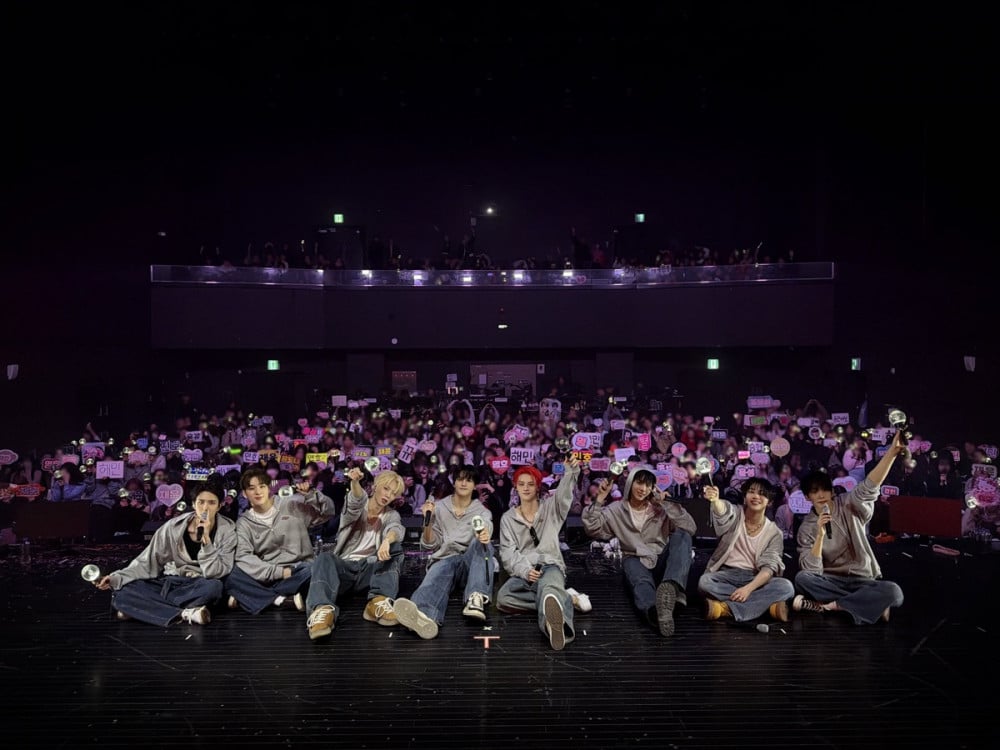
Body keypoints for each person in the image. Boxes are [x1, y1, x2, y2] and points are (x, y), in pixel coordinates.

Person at [792, 430, 907, 624]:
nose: (821, 495)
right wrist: (820, 534)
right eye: (814, 491)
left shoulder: (848, 502)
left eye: (825, 489)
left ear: (832, 491)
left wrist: (892, 453)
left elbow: (870, 486)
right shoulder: (806, 527)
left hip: (862, 579)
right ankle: (865, 605)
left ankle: (832, 606)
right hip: (831, 580)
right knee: (802, 579)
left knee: (895, 593)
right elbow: (812, 570)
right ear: (807, 497)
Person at [93, 476, 236, 626]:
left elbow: (216, 573)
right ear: (193, 504)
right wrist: (117, 577)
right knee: (122, 591)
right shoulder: (173, 527)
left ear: (219, 506)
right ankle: (186, 613)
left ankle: (143, 608)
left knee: (214, 588)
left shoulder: (228, 531)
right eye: (201, 502)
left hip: (199, 583)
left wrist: (206, 539)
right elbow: (147, 562)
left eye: (212, 503)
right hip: (172, 581)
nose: (205, 508)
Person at [583, 464, 696, 636]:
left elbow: (690, 528)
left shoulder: (660, 508)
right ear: (630, 483)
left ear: (653, 488)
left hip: (661, 559)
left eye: (648, 485)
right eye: (639, 483)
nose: (643, 489)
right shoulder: (616, 509)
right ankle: (655, 612)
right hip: (635, 558)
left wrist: (669, 505)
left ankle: (671, 588)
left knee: (683, 536)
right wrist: (599, 499)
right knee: (638, 577)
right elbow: (592, 528)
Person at [393, 464, 495, 639]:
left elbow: (486, 524)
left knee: (483, 545)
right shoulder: (439, 507)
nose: (464, 483)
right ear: (454, 482)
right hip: (446, 558)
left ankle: (476, 598)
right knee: (438, 572)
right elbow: (429, 545)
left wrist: (484, 533)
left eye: (469, 480)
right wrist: (427, 521)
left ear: (474, 486)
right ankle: (423, 616)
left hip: (471, 564)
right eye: (460, 479)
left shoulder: (480, 510)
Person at [305, 469, 406, 640]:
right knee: (324, 557)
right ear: (375, 486)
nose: (388, 495)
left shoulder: (391, 514)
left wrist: (387, 541)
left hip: (370, 569)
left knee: (395, 547)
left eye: (393, 493)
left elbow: (396, 528)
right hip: (345, 568)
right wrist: (355, 482)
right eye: (386, 489)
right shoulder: (357, 508)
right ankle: (322, 611)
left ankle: (378, 602)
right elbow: (355, 501)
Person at [495, 457, 583, 650]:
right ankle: (563, 599)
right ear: (515, 487)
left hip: (550, 565)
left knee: (548, 586)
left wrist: (570, 472)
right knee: (503, 598)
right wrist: (525, 571)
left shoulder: (551, 508)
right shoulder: (508, 518)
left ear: (537, 487)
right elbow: (508, 553)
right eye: (521, 484)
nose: (526, 488)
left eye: (530, 484)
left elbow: (564, 494)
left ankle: (554, 625)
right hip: (526, 571)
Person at [225, 466, 335, 615]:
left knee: (316, 569)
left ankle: (252, 595)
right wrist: (280, 573)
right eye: (251, 488)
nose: (258, 492)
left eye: (262, 486)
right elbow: (244, 556)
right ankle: (280, 600)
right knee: (232, 574)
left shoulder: (291, 505)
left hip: (299, 571)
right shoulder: (244, 523)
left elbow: (328, 512)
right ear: (244, 494)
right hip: (269, 574)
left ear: (269, 488)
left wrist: (312, 495)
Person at [698, 479, 794, 623]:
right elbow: (724, 511)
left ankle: (724, 609)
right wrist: (716, 501)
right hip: (727, 574)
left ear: (769, 502)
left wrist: (748, 589)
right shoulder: (736, 514)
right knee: (705, 582)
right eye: (751, 492)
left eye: (762, 494)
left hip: (755, 578)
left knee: (786, 587)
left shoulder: (774, 532)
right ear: (744, 497)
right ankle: (767, 607)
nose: (756, 496)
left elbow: (769, 568)